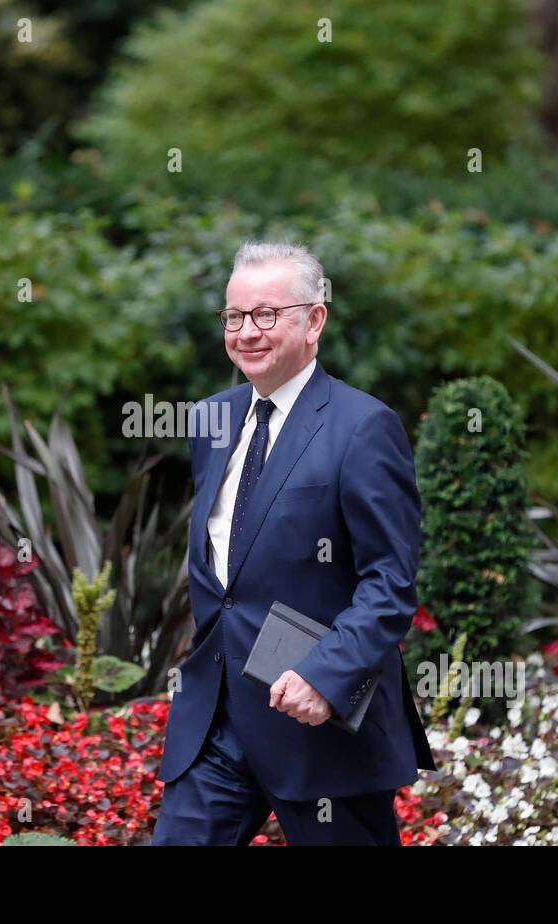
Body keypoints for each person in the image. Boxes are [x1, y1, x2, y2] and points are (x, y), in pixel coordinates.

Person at [152, 240, 437, 846]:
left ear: (315, 320)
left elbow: (390, 581)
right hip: (216, 724)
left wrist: (325, 676)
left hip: (321, 725)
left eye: (266, 314)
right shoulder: (212, 420)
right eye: (233, 316)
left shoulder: (363, 427)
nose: (246, 332)